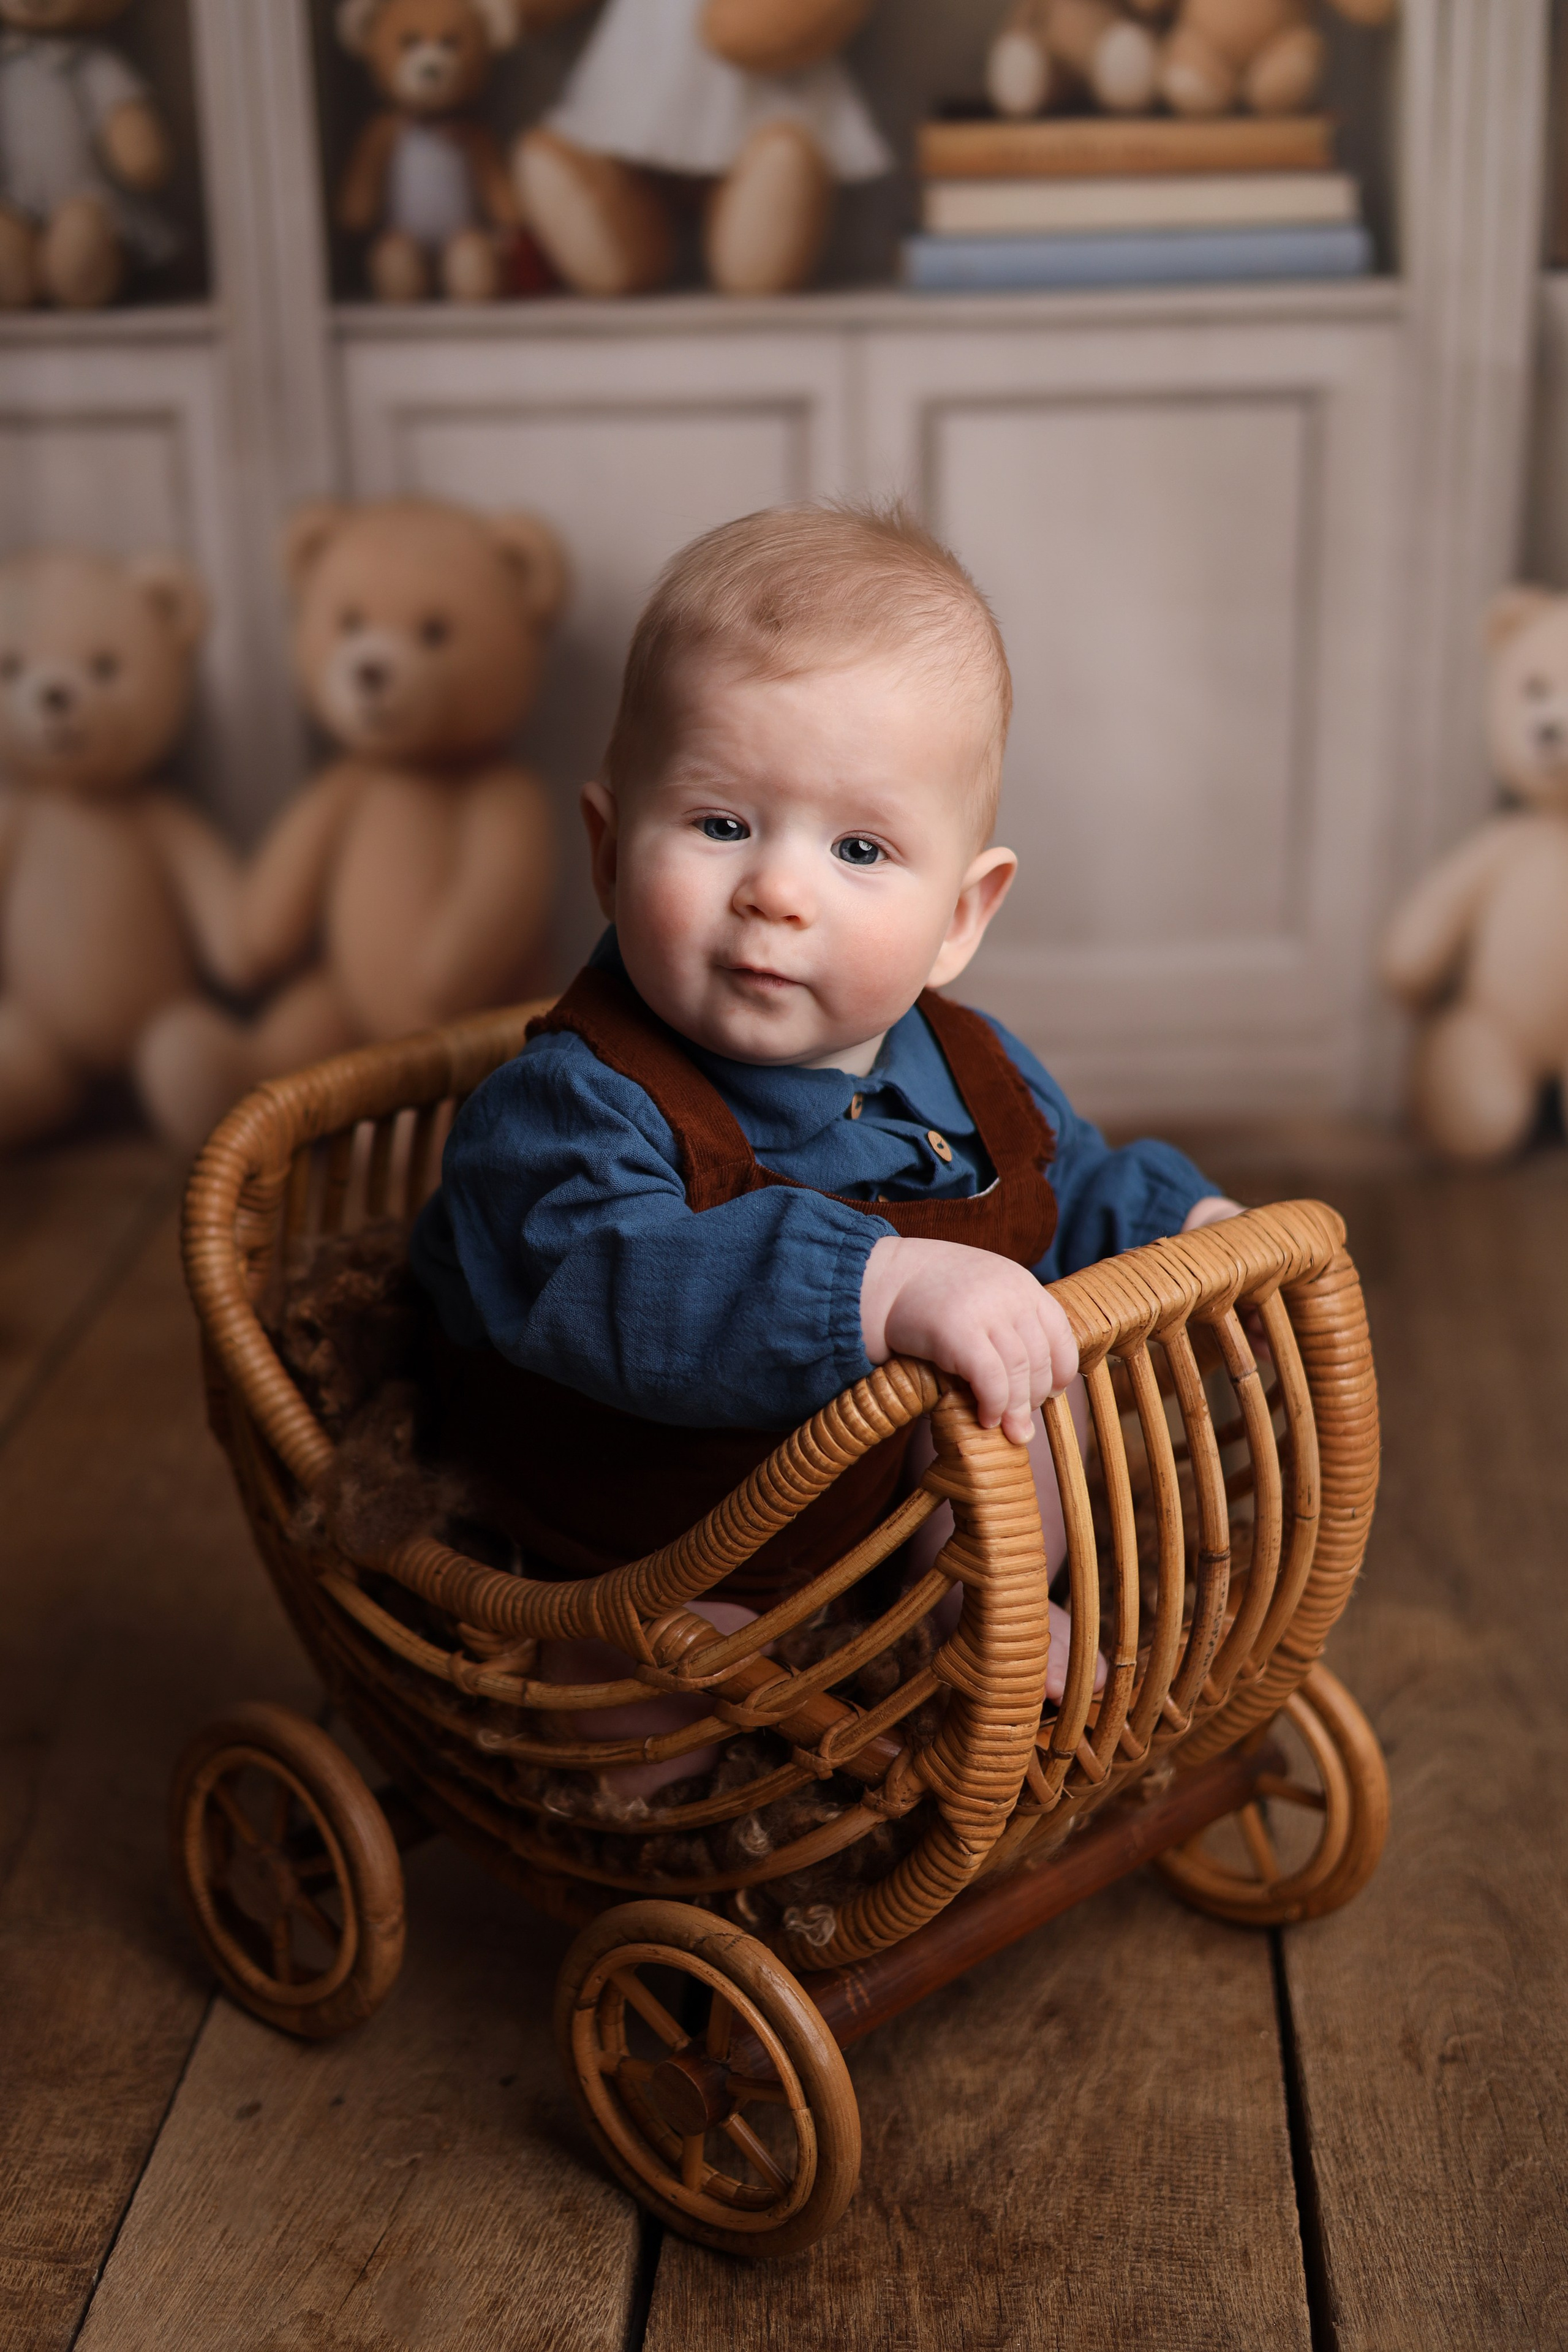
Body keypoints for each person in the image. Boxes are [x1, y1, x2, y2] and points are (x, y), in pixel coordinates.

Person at [412, 500, 1238, 1749]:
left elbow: (1065, 1179)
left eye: (858, 847)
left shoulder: (972, 1067)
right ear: (605, 846)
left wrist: (1185, 1224)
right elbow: (613, 1280)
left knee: (1031, 1396)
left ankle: (969, 1617)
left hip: (880, 1530)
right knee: (634, 1730)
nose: (778, 893)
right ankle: (677, 1716)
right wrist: (879, 1282)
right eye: (719, 825)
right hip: (651, 1539)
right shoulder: (564, 1108)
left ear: (961, 915)